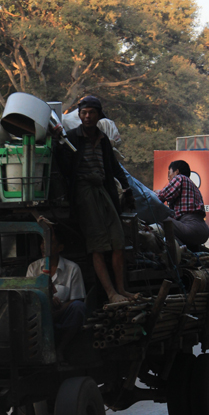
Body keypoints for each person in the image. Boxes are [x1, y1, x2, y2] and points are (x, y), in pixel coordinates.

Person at [54, 95, 136, 303]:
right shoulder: (71, 137)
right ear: (80, 115)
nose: (87, 116)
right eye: (84, 113)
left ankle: (121, 289)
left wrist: (126, 188)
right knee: (97, 244)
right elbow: (63, 166)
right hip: (84, 193)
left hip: (103, 191)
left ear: (99, 115)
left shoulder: (103, 140)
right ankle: (111, 293)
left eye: (91, 112)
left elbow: (114, 167)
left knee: (118, 241)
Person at [26, 224, 87, 353]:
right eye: (42, 242)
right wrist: (47, 300)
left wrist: (56, 311)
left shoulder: (72, 269)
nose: (44, 246)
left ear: (60, 248)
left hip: (62, 316)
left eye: (50, 242)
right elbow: (30, 297)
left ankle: (60, 350)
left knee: (78, 308)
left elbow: (77, 299)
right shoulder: (33, 268)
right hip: (39, 316)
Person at [155, 159, 209, 247]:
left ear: (176, 172)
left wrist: (154, 194)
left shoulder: (180, 178)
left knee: (156, 217)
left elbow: (160, 197)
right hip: (202, 230)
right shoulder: (194, 187)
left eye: (169, 173)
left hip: (189, 226)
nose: (168, 178)